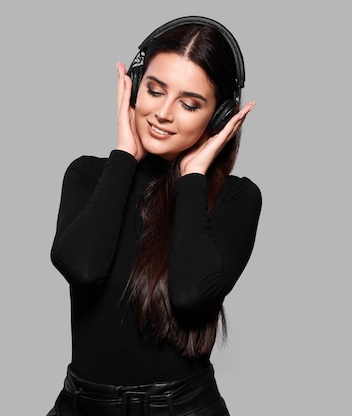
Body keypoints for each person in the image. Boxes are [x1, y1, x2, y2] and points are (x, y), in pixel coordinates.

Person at [46, 16, 262, 416]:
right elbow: (82, 266)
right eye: (155, 90)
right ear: (134, 87)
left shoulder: (236, 198)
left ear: (218, 118)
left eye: (189, 103)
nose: (163, 113)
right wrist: (125, 156)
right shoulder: (89, 175)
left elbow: (190, 294)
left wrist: (193, 178)